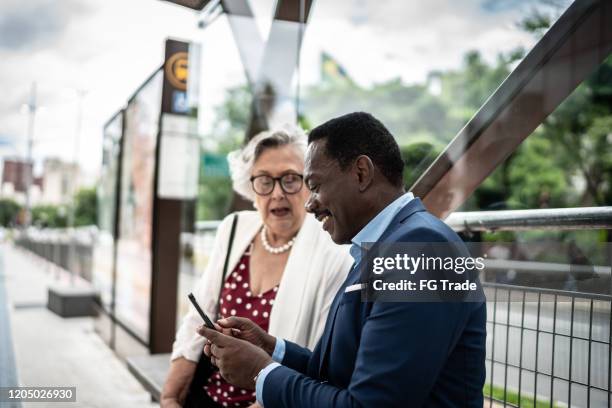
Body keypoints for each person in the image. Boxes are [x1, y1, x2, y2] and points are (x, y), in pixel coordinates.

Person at [198, 112, 487, 407]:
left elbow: (367, 403)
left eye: (316, 185)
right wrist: (271, 349)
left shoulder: (419, 251)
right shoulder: (382, 246)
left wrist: (260, 373)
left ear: (361, 172)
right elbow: (341, 374)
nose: (310, 204)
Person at [161, 126, 353, 408]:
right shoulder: (234, 227)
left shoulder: (332, 250)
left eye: (290, 179)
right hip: (207, 395)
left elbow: (317, 359)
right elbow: (197, 318)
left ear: (309, 183)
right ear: (249, 186)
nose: (277, 193)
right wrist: (170, 395)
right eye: (264, 180)